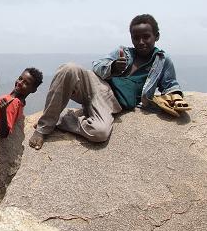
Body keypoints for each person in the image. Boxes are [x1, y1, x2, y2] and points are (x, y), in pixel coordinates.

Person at [29, 14, 190, 150]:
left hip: (112, 104)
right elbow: (97, 66)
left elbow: (170, 85)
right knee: (68, 68)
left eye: (146, 37)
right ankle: (44, 128)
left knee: (99, 133)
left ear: (157, 36)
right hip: (97, 85)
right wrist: (112, 67)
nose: (141, 42)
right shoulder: (123, 52)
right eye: (136, 37)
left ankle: (62, 118)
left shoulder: (162, 60)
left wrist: (176, 98)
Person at [0, 67, 43, 138]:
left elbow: (3, 134)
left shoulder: (13, 102)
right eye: (20, 78)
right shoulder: (14, 101)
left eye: (26, 83)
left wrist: (3, 112)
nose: (20, 83)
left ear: (33, 90)